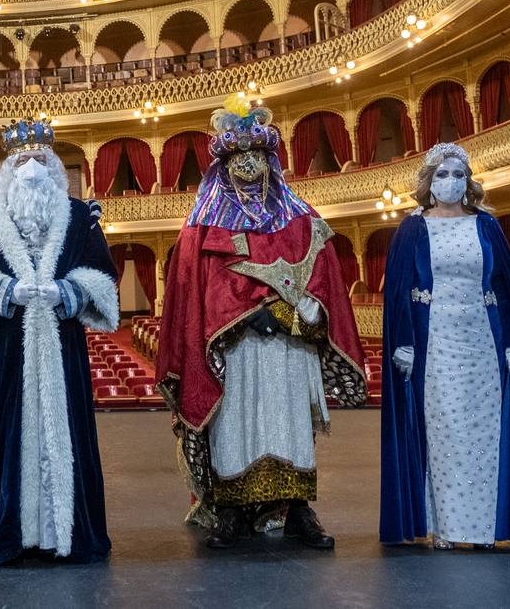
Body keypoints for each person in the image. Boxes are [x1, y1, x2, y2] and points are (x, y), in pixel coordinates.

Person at [157, 98, 366, 550]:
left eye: (257, 157)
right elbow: (195, 294)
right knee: (234, 422)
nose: (249, 166)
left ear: (271, 163)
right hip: (234, 350)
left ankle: (297, 511)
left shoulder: (302, 220)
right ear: (224, 165)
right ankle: (230, 510)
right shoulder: (200, 229)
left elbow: (324, 279)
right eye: (238, 158)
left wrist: (293, 314)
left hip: (290, 346)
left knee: (289, 423)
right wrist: (250, 317)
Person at [379, 142, 510, 549]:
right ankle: (447, 526)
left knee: (485, 433)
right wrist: (405, 342)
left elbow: (508, 288)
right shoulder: (413, 226)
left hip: (482, 339)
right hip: (436, 341)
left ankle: (484, 528)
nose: (451, 182)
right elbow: (399, 291)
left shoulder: (486, 225)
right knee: (445, 429)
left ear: (469, 181)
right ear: (429, 182)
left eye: (458, 174)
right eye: (442, 175)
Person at [0, 117, 118, 564]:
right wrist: (6, 291)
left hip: (64, 348)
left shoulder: (82, 217)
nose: (31, 168)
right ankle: (14, 532)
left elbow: (103, 274)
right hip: (9, 353)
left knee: (70, 437)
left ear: (54, 166)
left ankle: (70, 532)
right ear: (7, 169)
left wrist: (69, 291)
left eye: (39, 159)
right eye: (22, 160)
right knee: (10, 437)